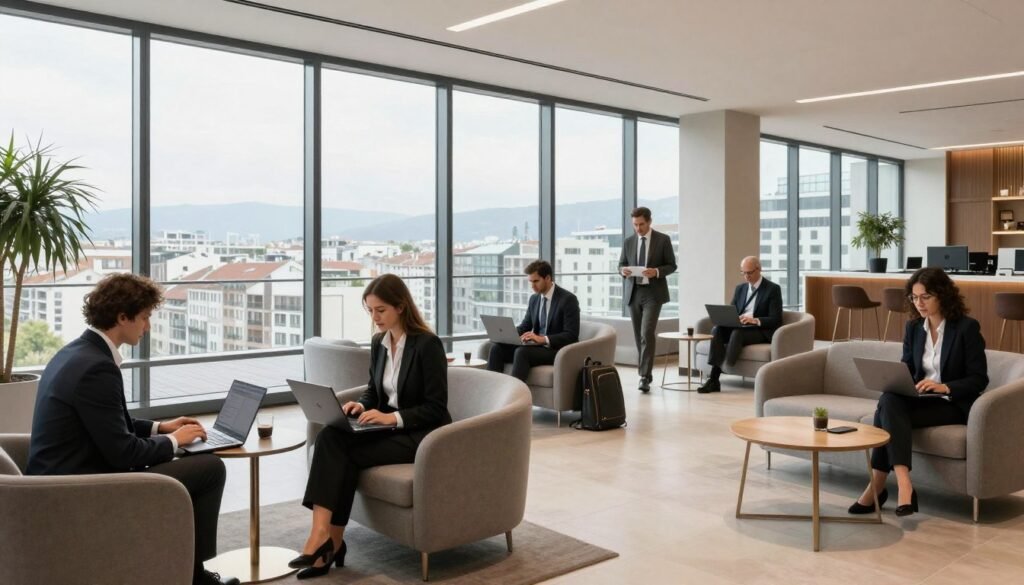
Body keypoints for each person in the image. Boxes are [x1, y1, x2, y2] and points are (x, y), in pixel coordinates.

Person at [26, 273, 237, 585]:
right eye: (145, 317)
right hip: (77, 494)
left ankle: (183, 569)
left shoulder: (75, 352)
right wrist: (174, 441)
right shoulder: (97, 368)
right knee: (209, 468)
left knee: (186, 460)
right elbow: (123, 453)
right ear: (122, 317)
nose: (147, 327)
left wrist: (161, 428)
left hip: (59, 482)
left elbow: (109, 423)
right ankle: (194, 577)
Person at [294, 274, 451, 579]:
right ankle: (324, 536)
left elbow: (436, 407)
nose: (374, 318)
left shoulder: (427, 345)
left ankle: (328, 543)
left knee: (343, 453)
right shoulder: (379, 342)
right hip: (387, 426)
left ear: (400, 307)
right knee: (330, 436)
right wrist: (362, 405)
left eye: (380, 310)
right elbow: (373, 390)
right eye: (370, 311)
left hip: (420, 434)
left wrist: (392, 418)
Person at [849, 267, 987, 517]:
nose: (919, 303)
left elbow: (979, 378)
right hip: (922, 399)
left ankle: (881, 485)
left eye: (926, 297)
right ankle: (903, 484)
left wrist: (945, 386)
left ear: (942, 295)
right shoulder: (913, 327)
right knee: (889, 400)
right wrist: (903, 383)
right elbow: (908, 368)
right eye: (914, 297)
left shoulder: (966, 328)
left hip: (951, 403)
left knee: (885, 410)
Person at [697, 256, 783, 394]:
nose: (746, 276)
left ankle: (727, 365)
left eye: (749, 272)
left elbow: (776, 319)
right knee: (717, 330)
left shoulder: (772, 289)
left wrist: (755, 320)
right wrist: (731, 319)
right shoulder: (740, 289)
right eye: (743, 273)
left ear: (759, 269)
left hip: (759, 329)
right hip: (740, 325)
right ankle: (714, 380)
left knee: (738, 333)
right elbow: (732, 310)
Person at [486, 259, 580, 382]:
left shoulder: (568, 299)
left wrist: (542, 339)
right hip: (535, 347)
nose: (532, 286)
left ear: (548, 278)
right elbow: (525, 325)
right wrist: (507, 335)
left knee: (522, 352)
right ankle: (492, 389)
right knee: (497, 348)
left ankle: (515, 392)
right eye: (530, 281)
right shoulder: (534, 299)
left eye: (536, 281)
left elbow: (571, 335)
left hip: (555, 350)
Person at [618, 207, 677, 392]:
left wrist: (656, 271)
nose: (638, 228)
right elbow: (621, 264)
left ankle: (643, 376)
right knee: (638, 335)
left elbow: (672, 265)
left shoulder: (663, 240)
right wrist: (623, 271)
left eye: (641, 224)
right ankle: (646, 372)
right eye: (635, 225)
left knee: (646, 333)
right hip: (634, 292)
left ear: (649, 221)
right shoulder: (628, 242)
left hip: (653, 293)